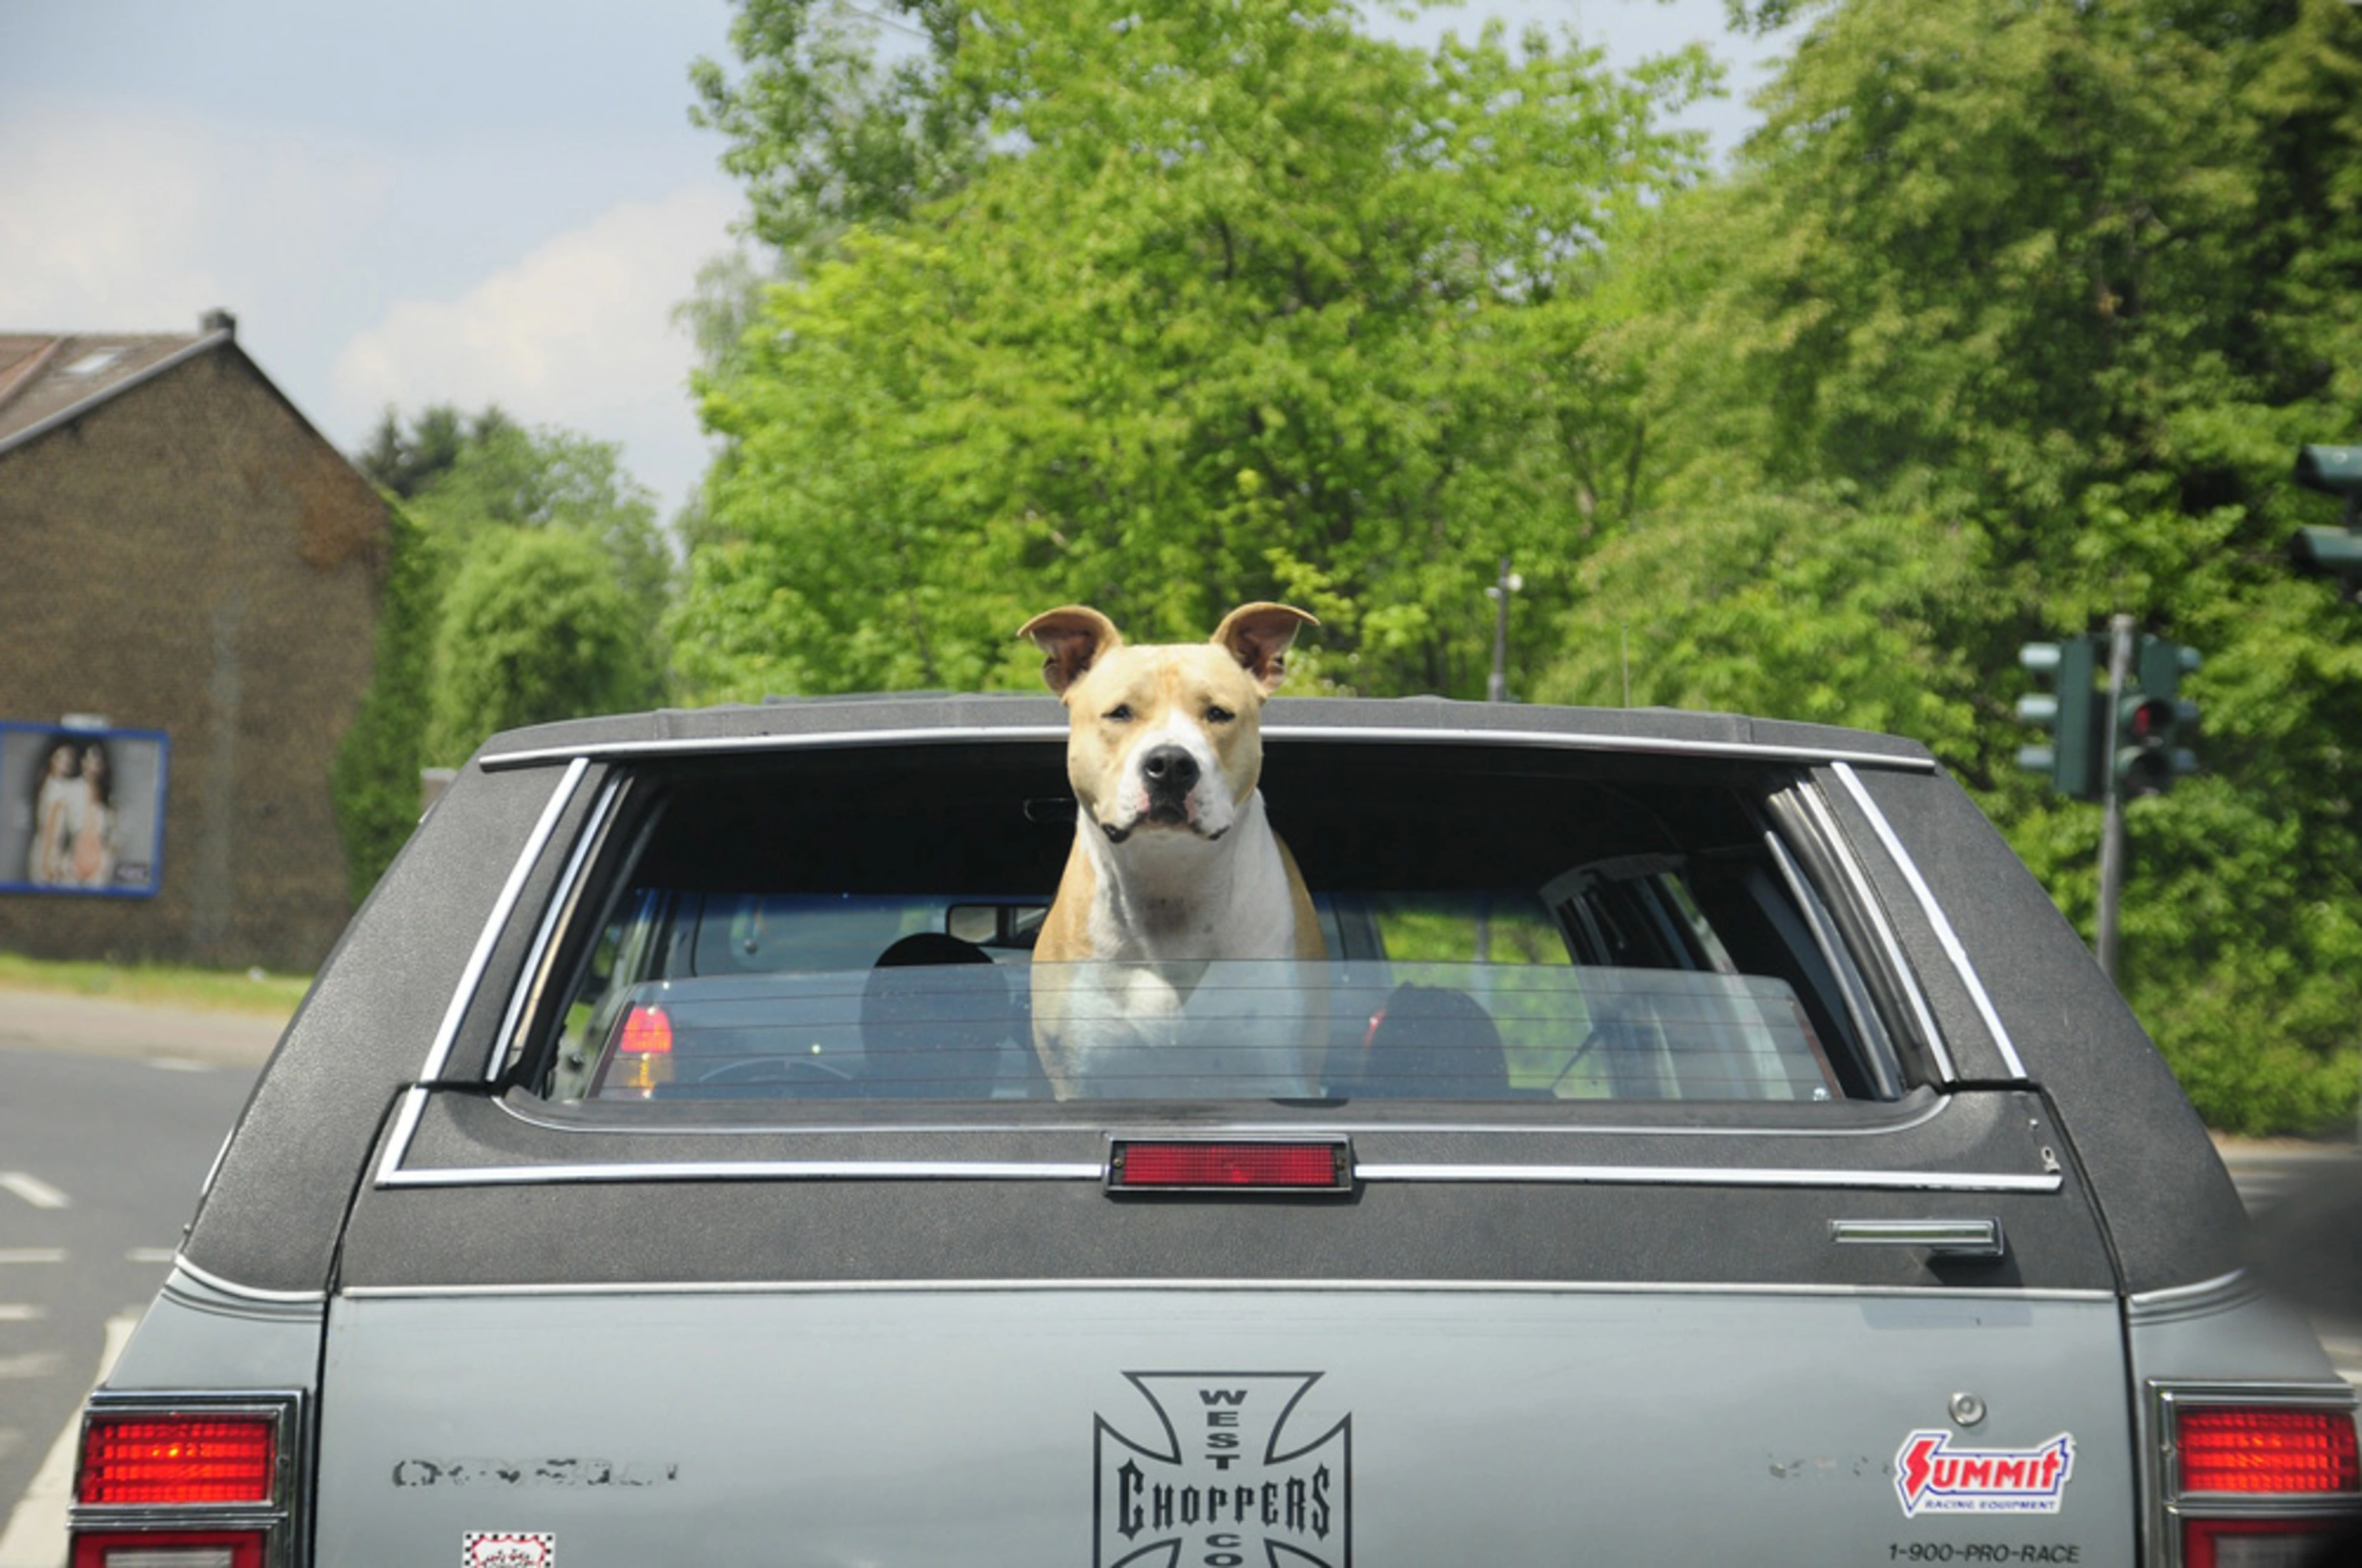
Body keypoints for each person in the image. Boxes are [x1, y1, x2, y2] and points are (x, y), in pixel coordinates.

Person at [26, 737, 79, 886]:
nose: (67, 761)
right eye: (63, 757)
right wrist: (48, 863)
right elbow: (50, 829)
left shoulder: (58, 786)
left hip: (52, 851)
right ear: (53, 760)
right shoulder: (54, 788)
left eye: (70, 757)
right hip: (47, 853)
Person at [68, 739, 115, 889]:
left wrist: (106, 862)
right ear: (82, 763)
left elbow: (113, 835)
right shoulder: (70, 790)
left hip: (99, 868)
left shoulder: (108, 798)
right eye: (89, 761)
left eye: (97, 763)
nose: (92, 768)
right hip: (71, 865)